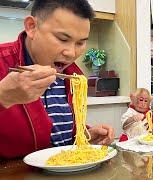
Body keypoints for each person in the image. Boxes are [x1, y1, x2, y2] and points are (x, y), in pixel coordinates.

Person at [0, 0, 114, 159]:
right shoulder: (3, 61)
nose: (72, 53)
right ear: (31, 27)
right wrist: (3, 97)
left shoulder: (73, 75)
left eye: (80, 42)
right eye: (62, 39)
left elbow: (59, 139)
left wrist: (85, 135)